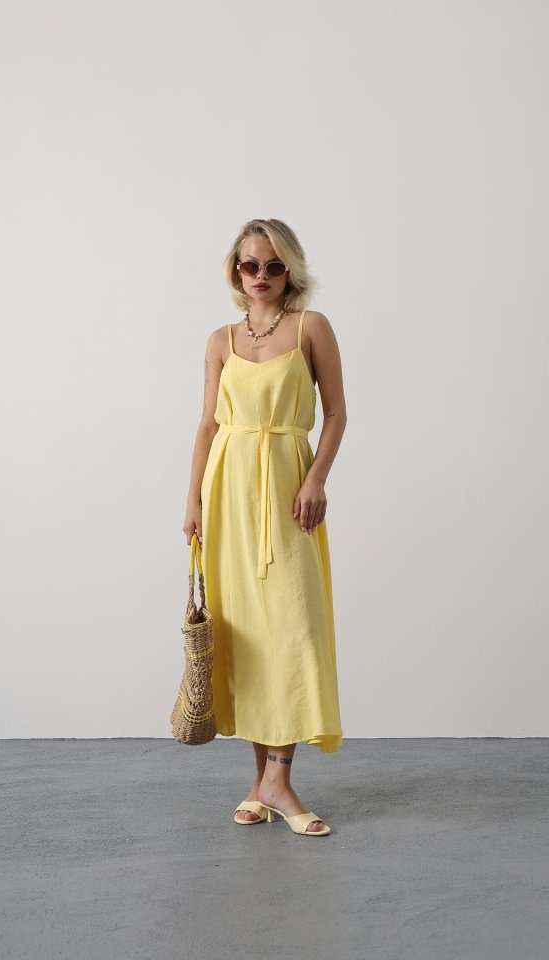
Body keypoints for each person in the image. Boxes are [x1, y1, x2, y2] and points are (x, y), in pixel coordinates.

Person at [183, 218, 347, 836]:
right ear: (236, 269)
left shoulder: (311, 328)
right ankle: (266, 783)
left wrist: (316, 479)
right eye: (250, 264)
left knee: (294, 627)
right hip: (228, 491)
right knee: (246, 635)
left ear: (290, 271)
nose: (260, 276)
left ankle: (277, 776)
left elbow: (336, 414)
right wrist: (194, 499)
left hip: (286, 486)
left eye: (273, 266)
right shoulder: (220, 340)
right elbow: (207, 423)